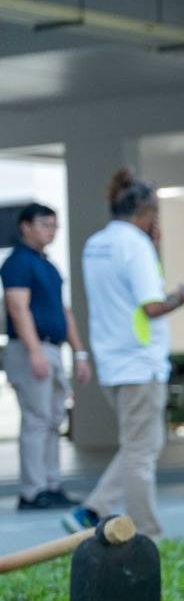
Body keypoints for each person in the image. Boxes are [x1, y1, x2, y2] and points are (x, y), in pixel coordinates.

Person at [62, 172, 184, 536]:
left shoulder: (95, 244)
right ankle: (146, 530)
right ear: (146, 211)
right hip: (140, 359)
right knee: (141, 451)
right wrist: (179, 298)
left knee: (143, 443)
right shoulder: (135, 245)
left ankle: (93, 509)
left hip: (111, 358)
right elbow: (151, 306)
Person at [3, 203, 91, 509]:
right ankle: (33, 490)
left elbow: (64, 311)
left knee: (54, 419)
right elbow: (17, 307)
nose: (50, 231)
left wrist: (79, 351)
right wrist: (34, 350)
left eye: (54, 225)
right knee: (37, 420)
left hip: (53, 348)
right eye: (44, 224)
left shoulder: (49, 265)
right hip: (31, 349)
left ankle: (51, 484)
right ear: (25, 226)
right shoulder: (18, 263)